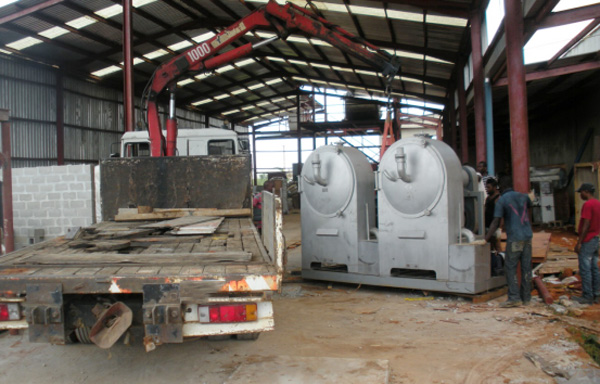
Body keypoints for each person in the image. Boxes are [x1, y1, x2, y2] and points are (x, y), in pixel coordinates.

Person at [485, 175, 533, 307]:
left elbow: (495, 222)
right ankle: (526, 298)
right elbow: (531, 204)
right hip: (527, 236)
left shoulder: (502, 200)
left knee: (510, 267)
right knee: (526, 268)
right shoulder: (523, 196)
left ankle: (514, 297)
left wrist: (485, 239)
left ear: (500, 186)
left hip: (515, 238)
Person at [573, 183, 600, 304]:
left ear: (586, 192)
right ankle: (597, 294)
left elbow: (586, 224)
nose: (580, 195)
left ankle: (587, 296)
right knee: (594, 268)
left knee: (585, 269)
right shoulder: (597, 203)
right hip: (595, 238)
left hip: (588, 239)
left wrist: (579, 242)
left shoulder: (587, 205)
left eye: (581, 193)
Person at [485, 178, 502, 254]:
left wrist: (500, 228)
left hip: (495, 226)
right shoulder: (488, 198)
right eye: (486, 187)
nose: (487, 189)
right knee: (490, 246)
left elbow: (501, 215)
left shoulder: (498, 198)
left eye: (489, 187)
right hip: (487, 226)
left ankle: (501, 260)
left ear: (494, 187)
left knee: (497, 246)